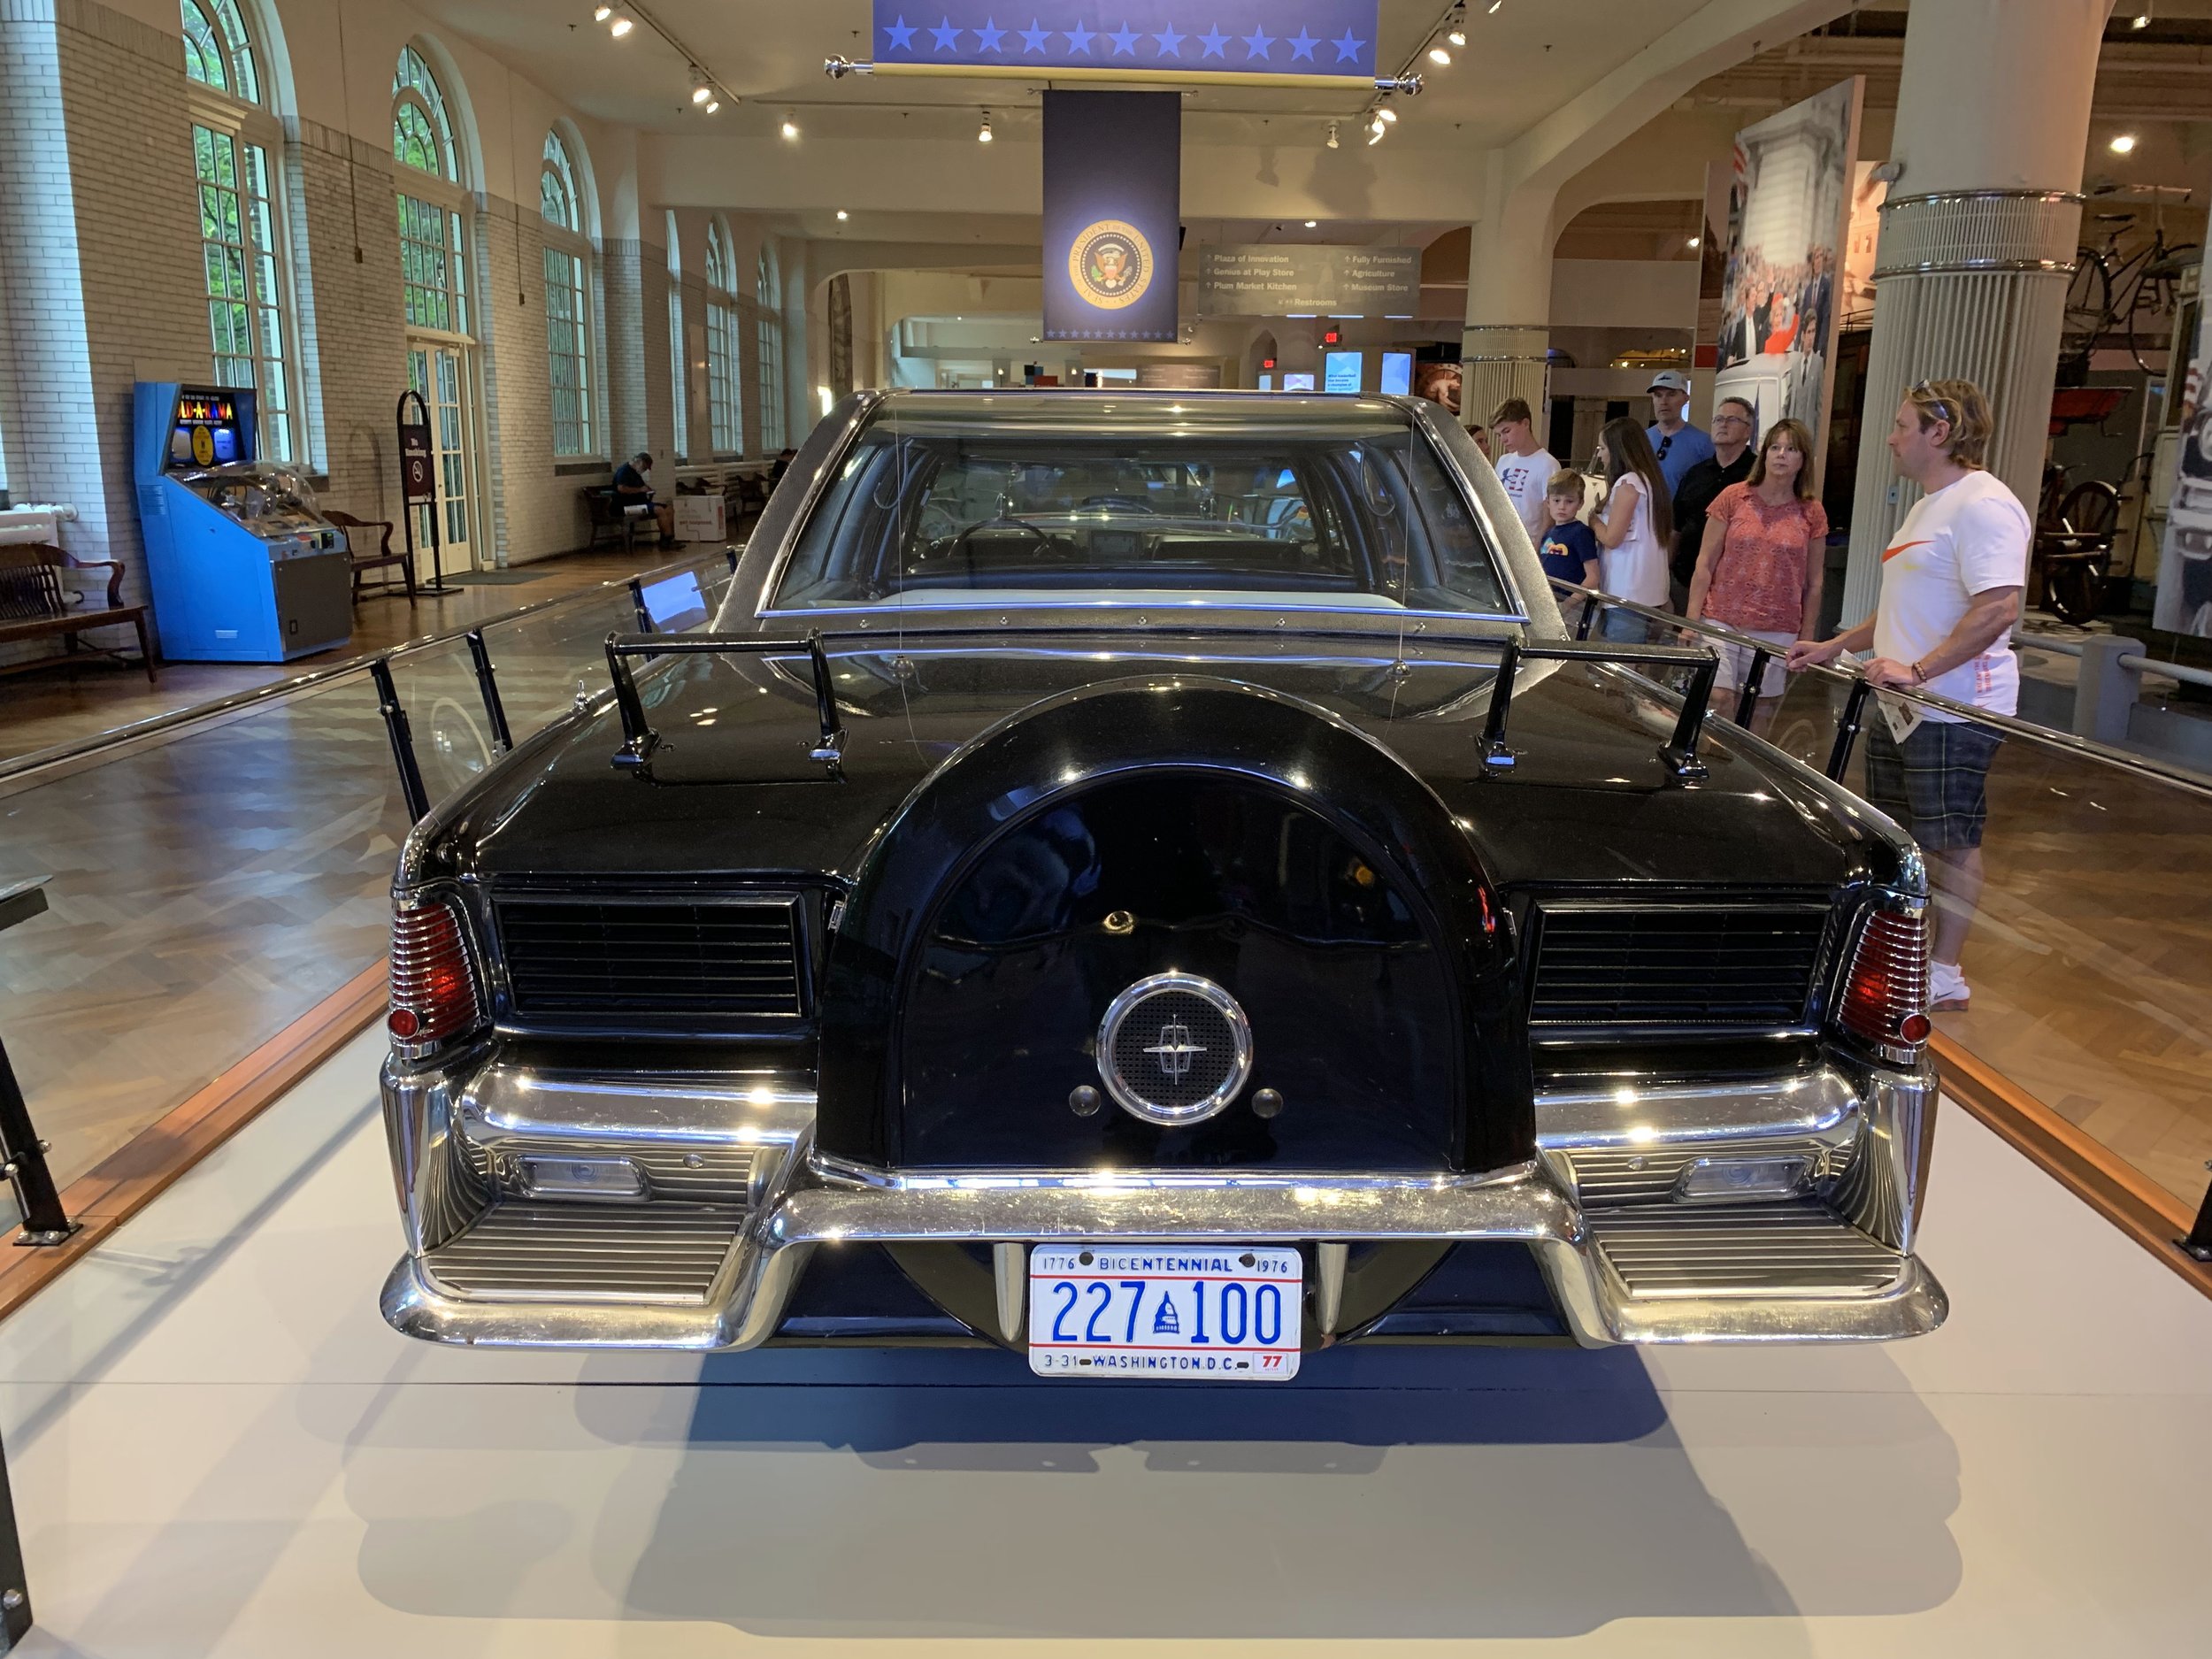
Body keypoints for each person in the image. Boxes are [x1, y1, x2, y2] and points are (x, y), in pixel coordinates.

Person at [1787, 379, 2030, 1011]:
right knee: (1907, 838)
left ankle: (1945, 969)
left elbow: (1999, 607)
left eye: (1901, 426)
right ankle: (1907, 955)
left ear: (1939, 432)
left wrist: (1920, 670)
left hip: (1951, 705)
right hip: (1900, 702)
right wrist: (1837, 645)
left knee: (1951, 839)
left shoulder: (1984, 503)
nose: (1891, 438)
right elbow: (1900, 606)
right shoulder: (1927, 505)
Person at [1685, 418, 1827, 727]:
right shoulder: (1735, 497)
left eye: (1790, 449)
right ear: (1763, 454)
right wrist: (1691, 620)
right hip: (1722, 615)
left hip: (1778, 623)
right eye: (1774, 447)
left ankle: (1743, 770)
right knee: (1719, 698)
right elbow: (1705, 562)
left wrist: (1807, 636)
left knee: (1760, 710)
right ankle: (1715, 761)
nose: (1781, 455)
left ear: (1803, 459)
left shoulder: (1811, 511)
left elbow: (1814, 582)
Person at [1669, 396, 1758, 609]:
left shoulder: (1758, 476)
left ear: (1748, 431)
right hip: (1686, 579)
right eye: (1718, 419)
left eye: (1731, 420)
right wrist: (1666, 572)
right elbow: (1676, 527)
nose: (1723, 424)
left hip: (1735, 586)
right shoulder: (1695, 473)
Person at [1590, 418, 1672, 642]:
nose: (1600, 455)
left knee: (1619, 666)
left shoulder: (1629, 483)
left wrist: (1594, 521)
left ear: (1618, 451)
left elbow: (1612, 538)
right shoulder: (1649, 481)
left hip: (1627, 594)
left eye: (1603, 448)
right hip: (1643, 592)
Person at [1490, 398, 1559, 542]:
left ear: (1525, 423)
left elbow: (1550, 519)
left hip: (1528, 544)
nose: (1503, 439)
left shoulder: (1548, 464)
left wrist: (1536, 550)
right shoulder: (1504, 461)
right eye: (1499, 435)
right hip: (1501, 542)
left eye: (1507, 431)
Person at [1536, 469, 1601, 625]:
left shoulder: (1581, 533)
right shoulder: (1549, 533)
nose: (1562, 507)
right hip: (1549, 602)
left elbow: (1593, 577)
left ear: (1580, 503)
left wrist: (1569, 604)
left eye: (1569, 501)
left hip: (1573, 607)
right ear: (1548, 502)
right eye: (1557, 500)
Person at [1645, 370, 1715, 496]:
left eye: (1671, 394)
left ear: (1685, 398)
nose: (1664, 401)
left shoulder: (1703, 443)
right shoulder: (1641, 439)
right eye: (1658, 395)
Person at [612, 451, 680, 548]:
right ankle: (669, 539)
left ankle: (665, 539)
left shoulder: (635, 474)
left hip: (640, 503)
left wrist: (648, 490)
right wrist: (640, 490)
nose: (644, 470)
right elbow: (621, 489)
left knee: (669, 509)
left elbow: (642, 487)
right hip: (628, 506)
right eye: (644, 467)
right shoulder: (624, 471)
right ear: (639, 462)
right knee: (659, 510)